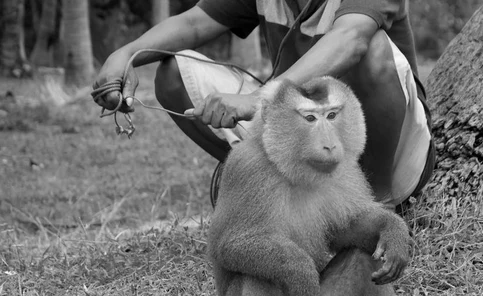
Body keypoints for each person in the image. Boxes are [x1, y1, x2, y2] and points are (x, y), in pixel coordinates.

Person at [93, 0, 434, 210]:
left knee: (372, 47)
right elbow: (195, 22)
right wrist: (125, 55)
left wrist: (259, 99)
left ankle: (377, 211)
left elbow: (352, 38)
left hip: (396, 156)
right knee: (173, 75)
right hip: (299, 131)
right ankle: (277, 194)